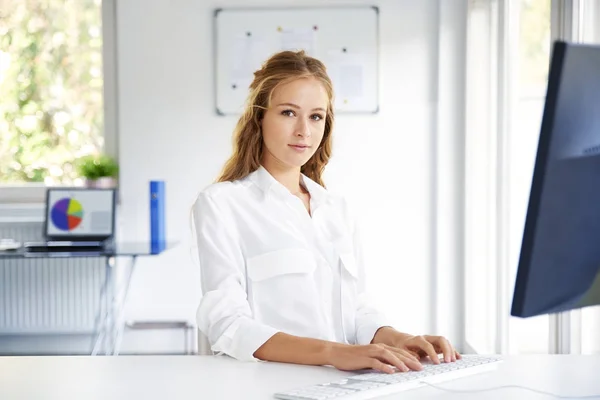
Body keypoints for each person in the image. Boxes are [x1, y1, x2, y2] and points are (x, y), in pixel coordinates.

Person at [192, 50, 461, 374]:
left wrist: (396, 338)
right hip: (268, 388)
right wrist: (335, 353)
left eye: (316, 116)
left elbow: (356, 308)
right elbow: (228, 325)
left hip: (344, 386)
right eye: (289, 113)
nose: (304, 130)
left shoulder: (336, 209)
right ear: (259, 117)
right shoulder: (222, 204)